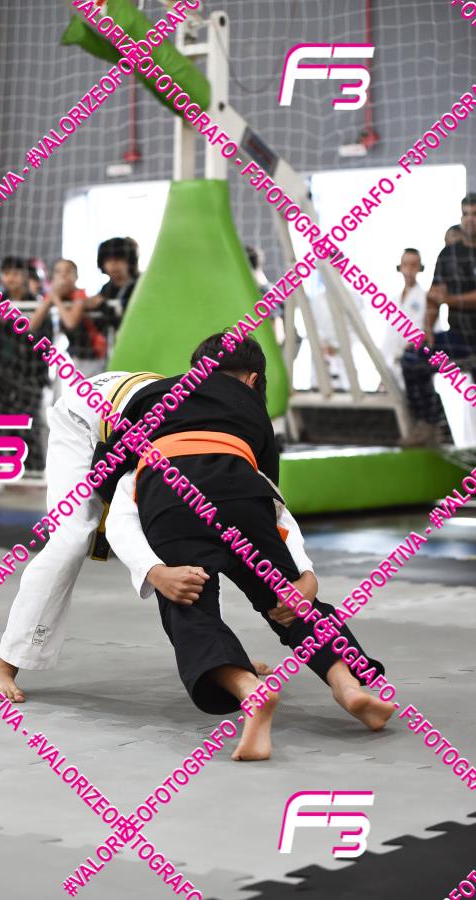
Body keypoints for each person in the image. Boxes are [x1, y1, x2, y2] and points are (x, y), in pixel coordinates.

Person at [96, 334, 395, 761]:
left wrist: (154, 572)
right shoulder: (252, 409)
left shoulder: (155, 395)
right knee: (290, 604)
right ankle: (347, 686)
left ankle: (250, 691)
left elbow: (112, 488)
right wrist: (304, 577)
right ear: (254, 380)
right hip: (242, 491)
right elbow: (273, 503)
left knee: (189, 609)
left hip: (170, 493)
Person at [0, 364, 294, 703]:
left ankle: (221, 655)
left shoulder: (239, 426)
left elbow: (267, 513)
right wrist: (155, 571)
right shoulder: (174, 426)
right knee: (72, 538)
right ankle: (4, 664)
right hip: (83, 419)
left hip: (128, 411)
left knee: (198, 542)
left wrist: (303, 577)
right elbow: (118, 508)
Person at [401, 195, 476, 446]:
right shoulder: (448, 255)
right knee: (413, 358)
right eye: (466, 214)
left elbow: (446, 298)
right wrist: (427, 329)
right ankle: (429, 425)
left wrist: (450, 300)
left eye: (475, 214)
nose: (470, 219)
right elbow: (434, 296)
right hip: (460, 339)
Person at [0, 256, 52, 471]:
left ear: (25, 276)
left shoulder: (38, 304)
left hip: (29, 374)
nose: (11, 278)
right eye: (6, 273)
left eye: (16, 273)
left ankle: (33, 472)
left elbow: (41, 340)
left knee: (27, 425)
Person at [30, 258, 107, 378]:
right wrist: (51, 298)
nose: (63, 276)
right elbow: (32, 325)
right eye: (58, 272)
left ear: (76, 277)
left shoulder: (79, 294)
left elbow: (71, 323)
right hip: (77, 356)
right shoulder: (54, 295)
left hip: (95, 354)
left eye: (68, 271)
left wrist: (55, 299)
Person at [381, 249, 426, 389]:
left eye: (413, 265)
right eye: (405, 264)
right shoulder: (394, 301)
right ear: (400, 267)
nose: (409, 269)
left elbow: (430, 335)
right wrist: (382, 372)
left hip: (415, 366)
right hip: (392, 368)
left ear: (420, 268)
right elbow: (389, 337)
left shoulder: (426, 299)